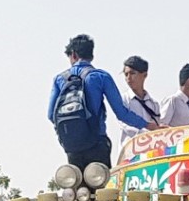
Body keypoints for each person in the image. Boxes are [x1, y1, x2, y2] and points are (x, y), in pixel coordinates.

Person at [48, 34, 158, 170]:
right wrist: (148, 125)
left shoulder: (59, 79)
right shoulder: (101, 76)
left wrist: (70, 132)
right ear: (91, 55)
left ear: (73, 55)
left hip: (73, 147)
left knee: (77, 182)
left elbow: (51, 115)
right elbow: (122, 114)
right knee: (101, 183)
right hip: (97, 142)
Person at [120, 55, 161, 144]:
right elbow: (126, 126)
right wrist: (147, 132)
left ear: (144, 75)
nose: (128, 78)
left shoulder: (153, 104)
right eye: (126, 74)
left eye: (132, 73)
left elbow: (156, 127)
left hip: (150, 149)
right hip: (130, 149)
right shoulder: (123, 100)